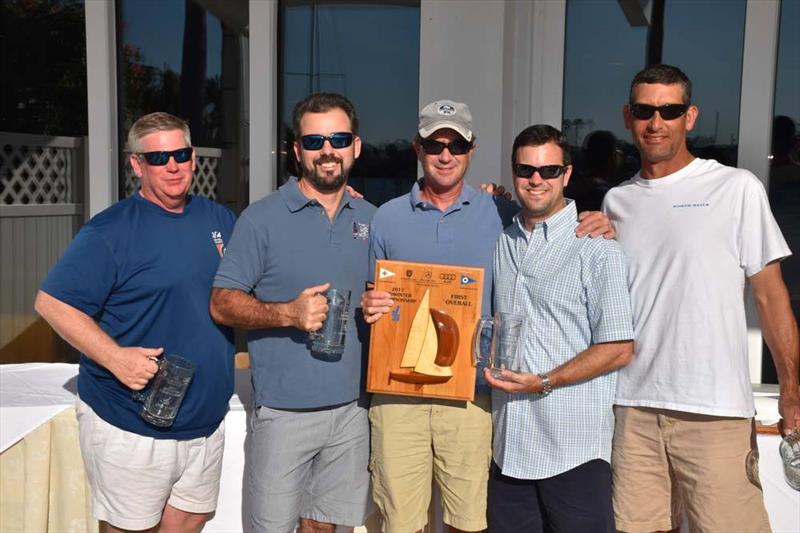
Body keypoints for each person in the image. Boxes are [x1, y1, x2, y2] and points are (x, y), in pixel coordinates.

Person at [361, 100, 614, 533]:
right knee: (400, 524)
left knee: (470, 522)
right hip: (399, 395)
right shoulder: (386, 218)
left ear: (471, 149)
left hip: (471, 396)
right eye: (435, 143)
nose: (446, 154)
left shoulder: (500, 212)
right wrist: (371, 306)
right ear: (416, 148)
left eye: (456, 144)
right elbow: (376, 296)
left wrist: (600, 220)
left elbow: (547, 213)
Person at [602, 64, 800, 533]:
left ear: (689, 116)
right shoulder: (616, 203)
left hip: (714, 412)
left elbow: (772, 300)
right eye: (645, 110)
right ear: (628, 116)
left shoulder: (736, 189)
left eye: (669, 110)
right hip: (633, 410)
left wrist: (791, 391)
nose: (656, 122)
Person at [34, 112, 237, 533]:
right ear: (137, 165)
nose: (173, 165)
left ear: (194, 157)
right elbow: (52, 303)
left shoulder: (219, 220)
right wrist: (115, 358)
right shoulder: (110, 231)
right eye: (158, 157)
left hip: (203, 419)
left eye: (180, 153)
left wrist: (328, 207)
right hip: (131, 422)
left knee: (192, 518)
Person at [209, 92, 375, 533]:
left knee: (325, 528)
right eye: (315, 140)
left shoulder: (375, 218)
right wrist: (288, 313)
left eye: (338, 138)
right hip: (284, 412)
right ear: (297, 150)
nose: (328, 150)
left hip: (353, 410)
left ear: (355, 147)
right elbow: (222, 302)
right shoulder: (261, 219)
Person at [485, 124, 634, 532]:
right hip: (509, 448)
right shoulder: (504, 238)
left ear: (566, 175)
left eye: (549, 171)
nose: (536, 180)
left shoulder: (596, 246)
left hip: (572, 450)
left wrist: (544, 380)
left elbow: (619, 348)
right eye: (525, 170)